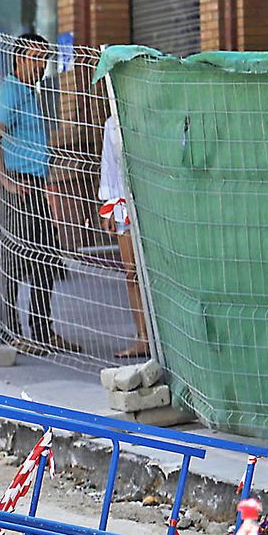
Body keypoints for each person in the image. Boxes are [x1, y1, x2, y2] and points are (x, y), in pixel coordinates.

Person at [0, 33, 74, 355]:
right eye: (36, 57)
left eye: (45, 58)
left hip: (36, 184)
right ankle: (9, 332)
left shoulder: (31, 92)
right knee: (14, 259)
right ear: (19, 59)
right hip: (18, 185)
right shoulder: (11, 92)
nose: (41, 65)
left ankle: (42, 330)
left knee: (47, 257)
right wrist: (5, 180)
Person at [99, 113, 150, 358]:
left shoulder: (156, 115)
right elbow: (109, 167)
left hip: (156, 205)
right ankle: (143, 337)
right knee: (132, 273)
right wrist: (109, 207)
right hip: (123, 205)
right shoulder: (112, 123)